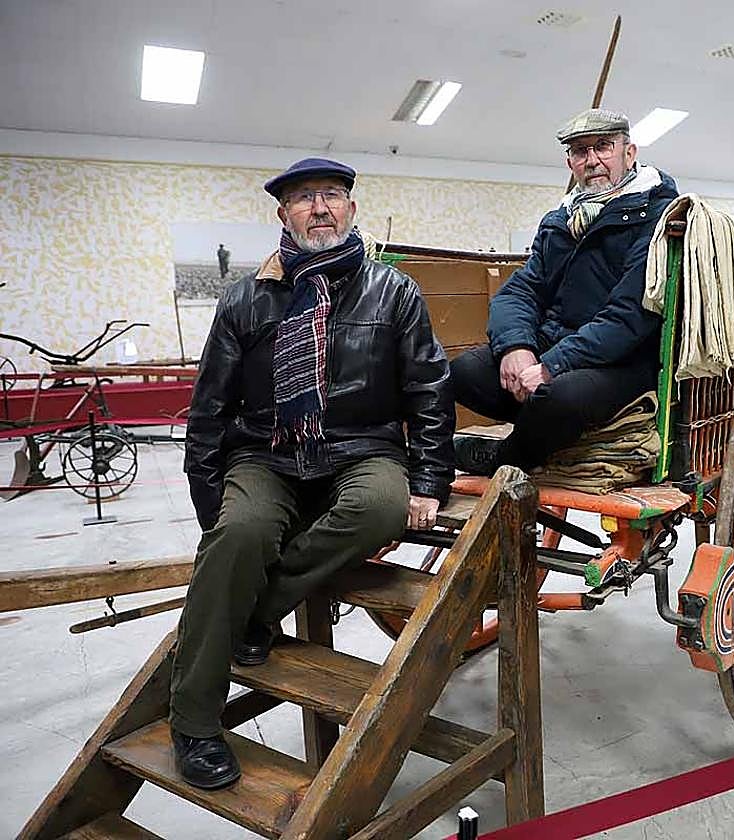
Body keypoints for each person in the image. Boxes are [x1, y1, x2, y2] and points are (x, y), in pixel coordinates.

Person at [171, 157, 454, 789]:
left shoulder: (393, 291)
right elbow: (210, 407)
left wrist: (430, 481)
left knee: (380, 507)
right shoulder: (245, 298)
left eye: (331, 195)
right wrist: (211, 505)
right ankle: (192, 722)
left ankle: (256, 611)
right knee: (238, 535)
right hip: (266, 452)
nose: (319, 208)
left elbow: (428, 388)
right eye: (303, 198)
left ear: (351, 208)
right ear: (284, 214)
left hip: (362, 448)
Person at [451, 108, 679, 475]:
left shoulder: (658, 216)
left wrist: (551, 366)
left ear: (629, 153)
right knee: (464, 371)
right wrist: (516, 347)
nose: (592, 160)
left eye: (603, 146)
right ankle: (549, 431)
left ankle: (507, 456)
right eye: (580, 151)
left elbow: (629, 316)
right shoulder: (560, 220)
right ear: (570, 162)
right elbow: (521, 292)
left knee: (561, 396)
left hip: (622, 360)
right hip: (556, 343)